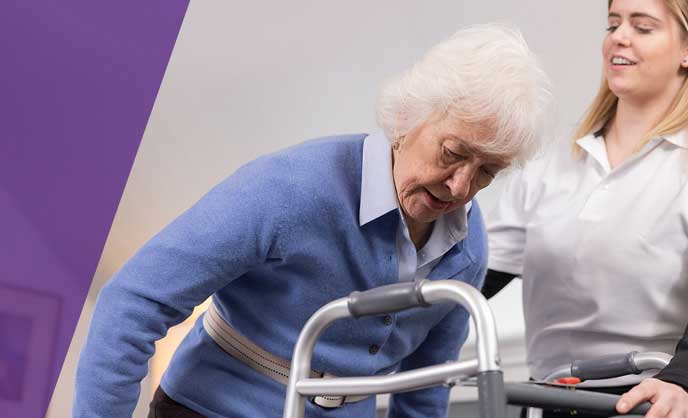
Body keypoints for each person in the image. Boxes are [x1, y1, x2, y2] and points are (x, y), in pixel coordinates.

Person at [74, 23, 551, 418]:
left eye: (487, 171)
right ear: (408, 120)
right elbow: (134, 302)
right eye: (452, 154)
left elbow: (426, 389)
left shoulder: (469, 251)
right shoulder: (292, 188)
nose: (461, 188)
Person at [483, 1, 688, 418]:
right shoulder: (552, 163)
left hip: (667, 399)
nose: (619, 37)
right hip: (556, 398)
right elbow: (475, 278)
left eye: (642, 27)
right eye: (613, 23)